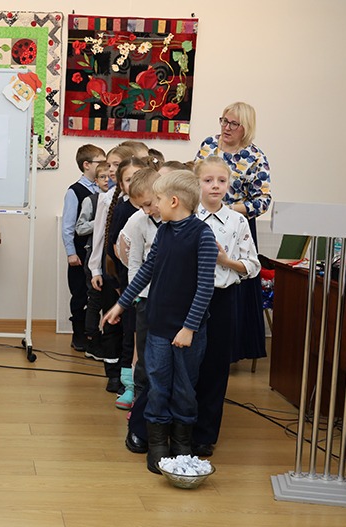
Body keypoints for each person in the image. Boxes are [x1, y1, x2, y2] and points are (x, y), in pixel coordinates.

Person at [101, 170, 217, 474]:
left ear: (174, 201)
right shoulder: (163, 232)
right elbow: (146, 271)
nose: (155, 206)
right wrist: (121, 304)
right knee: (157, 385)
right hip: (158, 328)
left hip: (188, 332)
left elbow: (205, 287)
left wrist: (189, 327)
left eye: (159, 200)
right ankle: (158, 446)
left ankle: (181, 445)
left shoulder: (203, 235)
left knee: (184, 388)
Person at [192, 156, 260, 456]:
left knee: (216, 366)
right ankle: (179, 427)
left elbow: (252, 265)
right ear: (197, 183)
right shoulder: (186, 217)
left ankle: (204, 434)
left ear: (229, 184)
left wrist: (226, 261)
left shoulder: (237, 221)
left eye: (221, 181)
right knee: (186, 365)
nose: (215, 186)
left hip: (223, 298)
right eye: (208, 180)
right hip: (190, 298)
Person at [195, 101, 271, 363]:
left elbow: (262, 201)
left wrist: (227, 210)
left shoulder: (255, 157)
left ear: (246, 128)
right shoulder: (208, 144)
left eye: (234, 124)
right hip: (202, 219)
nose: (226, 128)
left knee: (234, 292)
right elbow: (192, 180)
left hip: (236, 225)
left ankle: (229, 351)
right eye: (224, 121)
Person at [89, 156, 147, 393]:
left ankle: (134, 380)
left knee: (136, 332)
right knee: (122, 328)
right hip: (124, 278)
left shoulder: (155, 209)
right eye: (129, 180)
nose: (135, 184)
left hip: (144, 282)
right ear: (121, 185)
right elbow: (110, 246)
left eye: (139, 178)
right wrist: (113, 279)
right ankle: (121, 378)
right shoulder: (122, 210)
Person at [114, 167, 161, 410]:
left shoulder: (182, 222)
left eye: (149, 204)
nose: (146, 210)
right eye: (141, 206)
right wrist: (134, 296)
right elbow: (135, 263)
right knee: (142, 351)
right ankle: (139, 400)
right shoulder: (141, 222)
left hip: (170, 301)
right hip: (144, 298)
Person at [61, 144, 105, 352]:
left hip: (97, 252)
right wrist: (71, 252)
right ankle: (79, 335)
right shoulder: (75, 191)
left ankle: (93, 333)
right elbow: (68, 225)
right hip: (80, 252)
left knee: (95, 294)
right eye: (100, 162)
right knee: (79, 293)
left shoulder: (104, 190)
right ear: (86, 165)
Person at [75, 161, 111, 360]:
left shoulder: (117, 200)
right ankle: (92, 341)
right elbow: (80, 228)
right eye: (103, 177)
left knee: (109, 300)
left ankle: (107, 341)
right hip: (94, 257)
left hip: (111, 258)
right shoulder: (91, 200)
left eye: (110, 176)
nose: (107, 180)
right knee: (94, 300)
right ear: (96, 181)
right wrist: (100, 221)